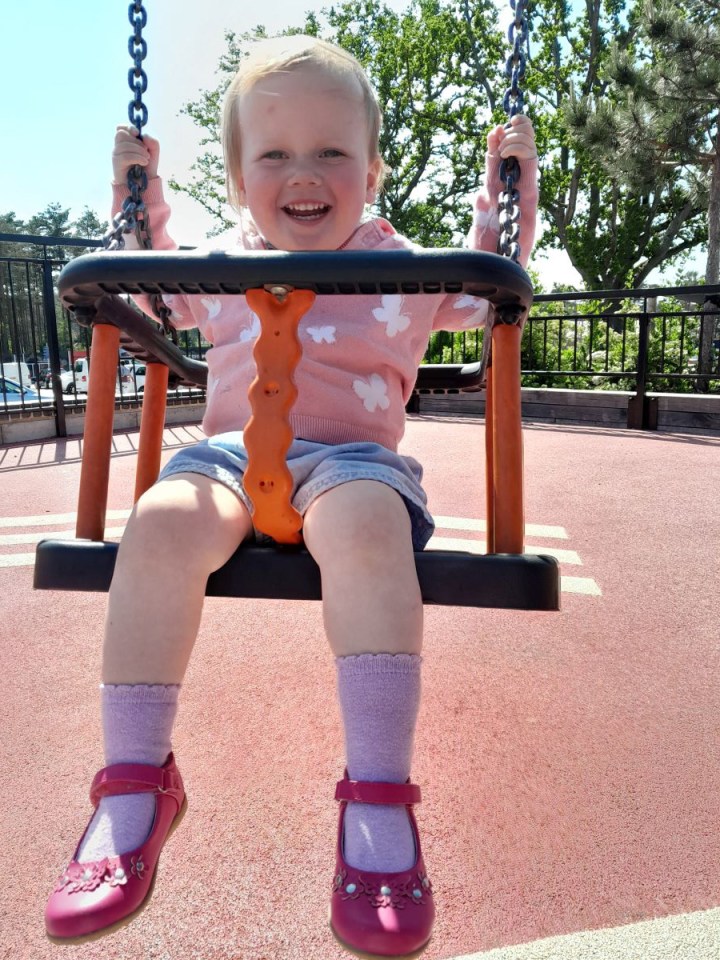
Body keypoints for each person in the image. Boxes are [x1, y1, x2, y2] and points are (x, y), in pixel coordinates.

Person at [45, 34, 538, 956]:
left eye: (331, 151)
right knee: (159, 520)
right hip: (227, 459)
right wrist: (136, 201)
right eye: (272, 153)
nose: (301, 173)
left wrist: (507, 203)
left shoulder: (400, 259)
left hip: (354, 461)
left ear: (372, 170)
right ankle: (133, 782)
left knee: (364, 524)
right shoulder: (220, 259)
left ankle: (380, 794)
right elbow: (152, 303)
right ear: (237, 177)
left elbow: (481, 298)